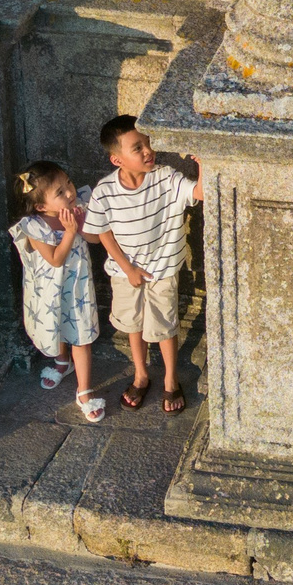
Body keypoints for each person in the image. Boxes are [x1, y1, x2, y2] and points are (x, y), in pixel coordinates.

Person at [89, 114, 202, 412]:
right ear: (117, 160)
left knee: (165, 326)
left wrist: (203, 164)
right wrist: (128, 269)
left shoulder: (165, 177)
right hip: (124, 273)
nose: (148, 151)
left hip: (162, 271)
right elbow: (102, 232)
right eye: (137, 148)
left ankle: (170, 379)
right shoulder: (104, 191)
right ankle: (140, 375)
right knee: (133, 324)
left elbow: (198, 193)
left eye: (148, 144)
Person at [7, 161, 107, 424]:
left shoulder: (78, 209)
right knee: (57, 325)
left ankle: (84, 390)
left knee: (81, 335)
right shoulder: (35, 226)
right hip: (49, 291)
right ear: (41, 206)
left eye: (68, 183)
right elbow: (55, 259)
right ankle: (63, 361)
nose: (70, 192)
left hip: (78, 288)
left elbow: (95, 239)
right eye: (60, 192)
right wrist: (70, 232)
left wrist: (82, 225)